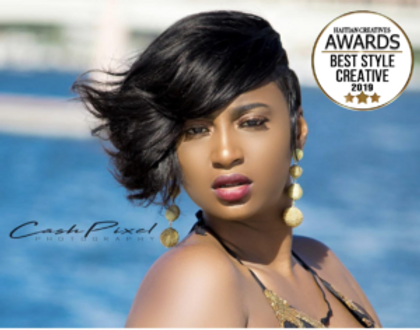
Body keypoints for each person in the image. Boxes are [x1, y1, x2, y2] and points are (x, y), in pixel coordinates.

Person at [72, 10, 382, 328]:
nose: (224, 153)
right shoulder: (197, 276)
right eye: (195, 130)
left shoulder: (322, 262)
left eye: (251, 123)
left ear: (298, 130)